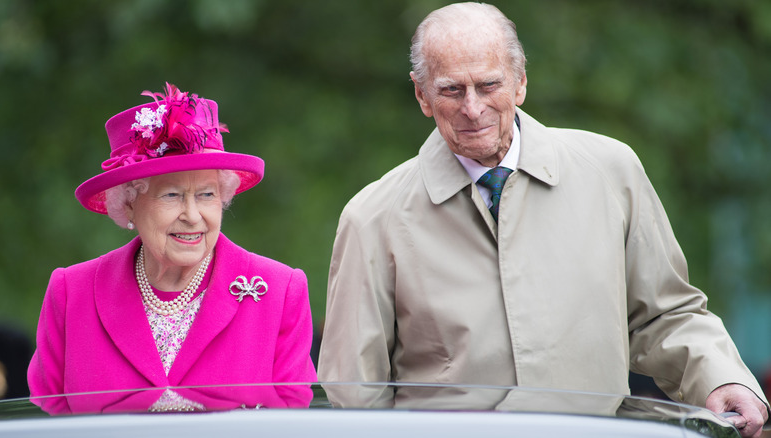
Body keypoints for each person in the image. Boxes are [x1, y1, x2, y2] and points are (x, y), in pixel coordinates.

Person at [317, 3, 769, 436]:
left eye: (489, 85)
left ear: (520, 83)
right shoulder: (372, 217)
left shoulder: (611, 171)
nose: (472, 108)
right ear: (422, 95)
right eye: (452, 89)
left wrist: (720, 378)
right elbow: (356, 396)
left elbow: (664, 315)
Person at [28, 83, 317, 414]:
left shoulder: (279, 291)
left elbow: (292, 425)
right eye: (172, 195)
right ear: (129, 204)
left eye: (206, 195)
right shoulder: (71, 293)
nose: (193, 216)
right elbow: (44, 419)